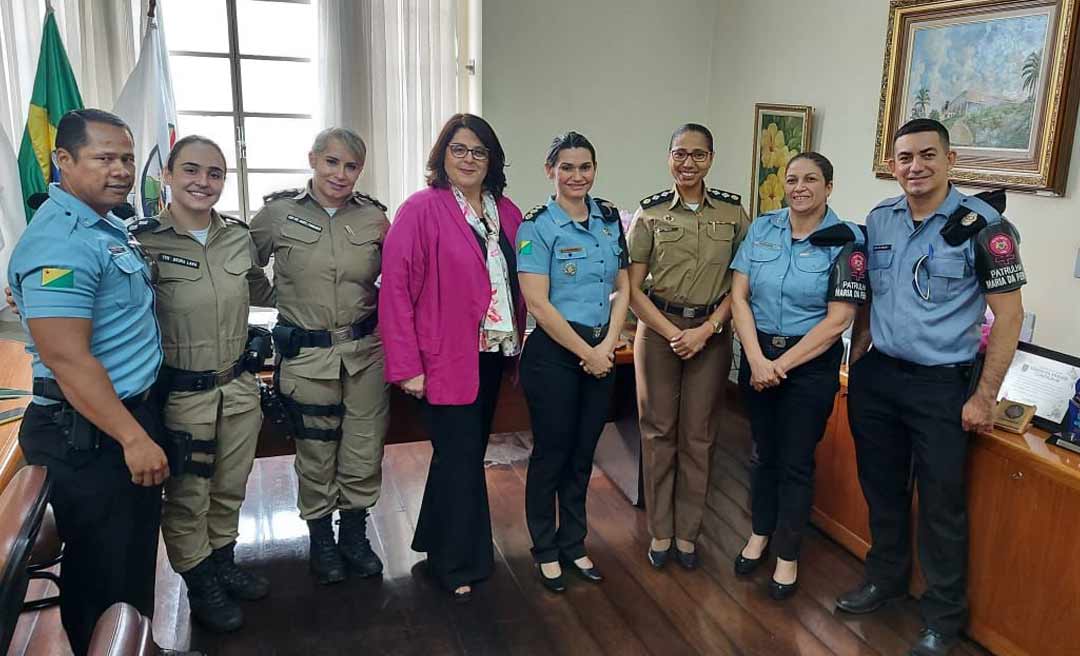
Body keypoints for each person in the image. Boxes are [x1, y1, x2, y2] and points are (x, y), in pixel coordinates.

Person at [837, 119, 1025, 656]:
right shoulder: (881, 219)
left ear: (950, 160)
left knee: (942, 505)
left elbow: (1009, 317)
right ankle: (886, 579)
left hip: (942, 385)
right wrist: (857, 363)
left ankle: (943, 616)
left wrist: (984, 396)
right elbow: (869, 298)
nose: (914, 166)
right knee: (882, 489)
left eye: (926, 155)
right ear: (892, 163)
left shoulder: (983, 225)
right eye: (904, 157)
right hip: (879, 377)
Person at [6, 109, 169, 656]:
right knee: (103, 566)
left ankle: (134, 642)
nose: (121, 169)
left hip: (120, 416)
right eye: (104, 158)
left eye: (126, 157)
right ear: (64, 161)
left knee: (130, 557)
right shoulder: (62, 240)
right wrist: (133, 438)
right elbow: (69, 359)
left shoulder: (107, 225)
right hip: (94, 429)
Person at [380, 113, 526, 602]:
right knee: (463, 459)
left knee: (457, 456)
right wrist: (408, 367)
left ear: (492, 160)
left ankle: (433, 541)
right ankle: (459, 562)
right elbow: (396, 292)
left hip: (491, 355)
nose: (468, 159)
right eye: (459, 149)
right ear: (442, 155)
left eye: (479, 151)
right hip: (442, 359)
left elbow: (516, 280)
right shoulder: (421, 209)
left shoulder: (506, 211)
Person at [132, 135, 275, 632]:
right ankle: (200, 584)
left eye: (215, 174)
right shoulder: (141, 240)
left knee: (230, 487)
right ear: (167, 175)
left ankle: (222, 562)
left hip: (237, 386)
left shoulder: (238, 236)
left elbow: (269, 289)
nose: (203, 182)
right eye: (191, 170)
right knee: (189, 495)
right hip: (180, 395)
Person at [249, 127, 389, 585]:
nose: (340, 174)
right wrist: (279, 298)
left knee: (364, 447)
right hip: (307, 356)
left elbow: (403, 276)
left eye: (351, 166)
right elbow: (237, 265)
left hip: (365, 352)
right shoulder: (277, 214)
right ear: (313, 159)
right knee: (314, 450)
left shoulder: (373, 219)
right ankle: (321, 539)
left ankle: (353, 533)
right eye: (332, 162)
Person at [729, 152, 868, 600]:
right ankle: (759, 533)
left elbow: (838, 320)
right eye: (792, 179)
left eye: (811, 179)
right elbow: (739, 297)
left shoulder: (848, 240)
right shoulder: (763, 228)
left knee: (795, 460)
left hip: (809, 365)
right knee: (762, 453)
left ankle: (787, 554)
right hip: (758, 353)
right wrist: (755, 358)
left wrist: (780, 367)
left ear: (829, 186)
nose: (799, 187)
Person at [627, 123, 750, 569]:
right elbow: (633, 289)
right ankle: (660, 532)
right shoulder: (650, 214)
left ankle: (688, 535)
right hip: (659, 330)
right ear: (668, 157)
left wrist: (706, 329)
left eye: (698, 155)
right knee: (659, 431)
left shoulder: (735, 215)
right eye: (680, 154)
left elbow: (741, 286)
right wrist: (671, 331)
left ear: (711, 160)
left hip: (712, 333)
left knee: (699, 436)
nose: (688, 163)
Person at [516, 131, 630, 592]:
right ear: (551, 172)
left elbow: (622, 287)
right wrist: (589, 354)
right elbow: (539, 305)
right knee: (552, 454)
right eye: (567, 167)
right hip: (555, 356)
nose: (577, 176)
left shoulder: (607, 219)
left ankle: (574, 543)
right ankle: (544, 548)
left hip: (601, 351)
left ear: (594, 170)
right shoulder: (536, 226)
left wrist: (608, 347)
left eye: (585, 167)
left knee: (584, 454)